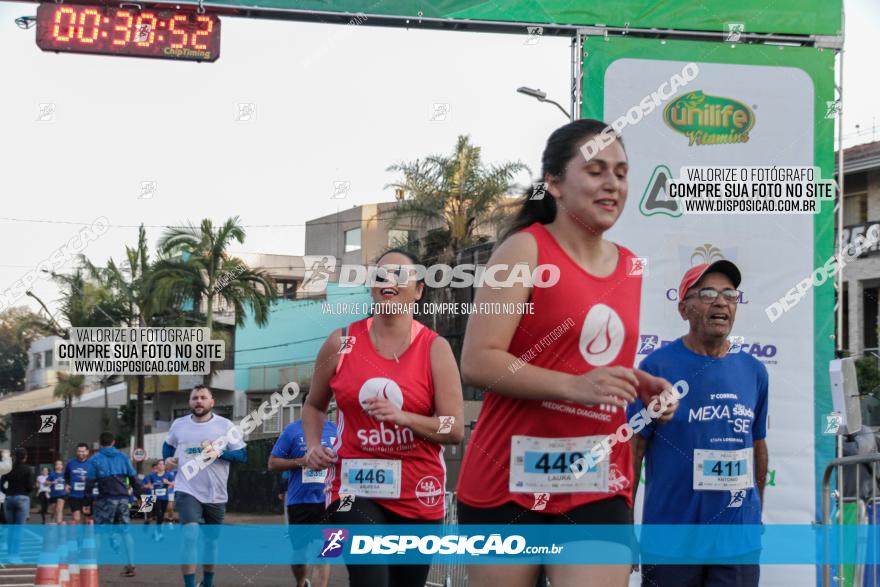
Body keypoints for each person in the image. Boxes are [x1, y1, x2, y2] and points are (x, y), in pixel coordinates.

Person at [454, 119, 676, 587]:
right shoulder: (522, 250)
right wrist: (574, 387)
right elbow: (478, 360)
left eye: (620, 171)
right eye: (595, 170)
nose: (612, 183)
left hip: (596, 477)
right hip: (506, 481)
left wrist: (636, 382)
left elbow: (584, 359)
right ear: (553, 182)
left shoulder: (632, 266)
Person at [303, 248, 465, 587]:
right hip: (354, 486)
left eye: (399, 275)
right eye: (380, 275)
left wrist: (405, 418)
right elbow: (314, 405)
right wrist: (314, 445)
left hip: (419, 493)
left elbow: (453, 428)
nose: (388, 281)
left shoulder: (435, 349)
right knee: (370, 579)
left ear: (418, 289)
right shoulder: (342, 342)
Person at [630, 261, 768, 587]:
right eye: (707, 293)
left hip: (736, 542)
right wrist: (623, 526)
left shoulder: (754, 371)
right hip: (671, 541)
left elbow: (758, 446)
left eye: (729, 294)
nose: (721, 302)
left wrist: (755, 514)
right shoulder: (657, 366)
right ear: (684, 309)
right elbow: (634, 449)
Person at [163, 384, 247, 587]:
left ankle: (208, 583)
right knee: (190, 535)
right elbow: (168, 445)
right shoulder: (179, 424)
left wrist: (219, 453)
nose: (198, 401)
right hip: (187, 488)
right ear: (190, 402)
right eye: (194, 398)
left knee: (211, 542)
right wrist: (167, 459)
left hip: (216, 493)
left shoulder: (226, 426)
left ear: (212, 402)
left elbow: (242, 456)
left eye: (202, 397)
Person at [269, 395, 338, 587]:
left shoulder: (336, 430)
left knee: (325, 552)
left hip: (330, 499)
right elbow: (272, 463)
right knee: (300, 554)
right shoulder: (292, 431)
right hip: (301, 502)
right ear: (306, 405)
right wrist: (303, 461)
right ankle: (300, 582)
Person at [91, 431, 141, 577]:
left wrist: (87, 500)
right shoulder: (123, 457)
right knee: (126, 531)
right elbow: (134, 479)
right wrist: (139, 497)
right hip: (123, 499)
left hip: (104, 499)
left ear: (100, 443)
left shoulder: (95, 459)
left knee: (99, 531)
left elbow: (89, 482)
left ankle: (94, 566)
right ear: (113, 442)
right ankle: (131, 565)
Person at [1, 448, 34, 563]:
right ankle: (15, 556)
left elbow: (2, 482)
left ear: (14, 457)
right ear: (25, 457)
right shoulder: (28, 469)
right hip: (22, 498)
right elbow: (30, 487)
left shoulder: (10, 469)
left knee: (11, 528)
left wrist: (6, 492)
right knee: (18, 529)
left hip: (9, 498)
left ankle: (10, 554)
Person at [63, 443, 96, 524]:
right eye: (79, 451)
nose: (80, 453)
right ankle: (77, 536)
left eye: (83, 451)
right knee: (76, 518)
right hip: (74, 495)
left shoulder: (92, 464)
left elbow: (97, 479)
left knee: (87, 519)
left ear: (87, 452)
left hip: (87, 496)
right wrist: (66, 485)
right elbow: (66, 476)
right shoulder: (70, 463)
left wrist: (88, 480)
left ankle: (85, 536)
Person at [143, 459, 175, 540]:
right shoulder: (151, 476)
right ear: (157, 466)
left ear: (164, 466)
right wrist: (148, 486)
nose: (160, 466)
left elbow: (175, 484)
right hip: (152, 498)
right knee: (157, 514)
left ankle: (157, 531)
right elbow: (144, 485)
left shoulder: (169, 475)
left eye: (162, 464)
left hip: (165, 498)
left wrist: (168, 482)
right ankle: (158, 532)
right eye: (159, 464)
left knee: (161, 515)